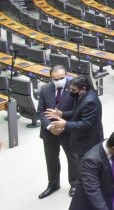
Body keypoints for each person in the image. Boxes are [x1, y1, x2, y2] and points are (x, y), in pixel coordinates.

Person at [46, 75, 104, 197]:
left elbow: (86, 124)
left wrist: (65, 123)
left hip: (90, 140)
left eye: (73, 90)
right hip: (82, 138)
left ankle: (91, 193)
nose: (71, 92)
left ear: (83, 89)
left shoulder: (91, 101)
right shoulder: (82, 96)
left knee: (89, 168)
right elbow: (77, 112)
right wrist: (62, 113)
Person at [37, 65, 76, 199]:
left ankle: (75, 184)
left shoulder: (74, 88)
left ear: (66, 75)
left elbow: (78, 111)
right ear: (51, 78)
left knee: (72, 158)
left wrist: (63, 123)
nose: (59, 80)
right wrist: (49, 127)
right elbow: (40, 111)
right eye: (55, 79)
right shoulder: (45, 89)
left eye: (61, 78)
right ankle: (53, 184)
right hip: (49, 131)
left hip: (67, 129)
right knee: (51, 159)